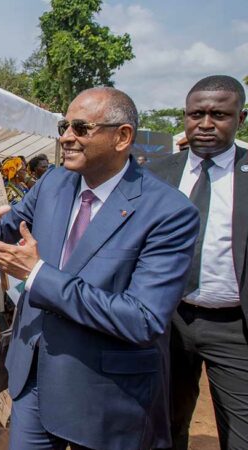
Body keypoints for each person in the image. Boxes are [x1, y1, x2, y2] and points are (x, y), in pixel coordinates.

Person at [0, 87, 199, 449]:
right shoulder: (53, 182)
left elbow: (142, 318)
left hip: (104, 394)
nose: (66, 136)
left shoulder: (169, 212)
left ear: (122, 136)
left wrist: (38, 275)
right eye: (65, 126)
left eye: (81, 128)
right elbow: (9, 229)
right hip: (33, 377)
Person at [148, 75, 248, 449]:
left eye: (218, 114)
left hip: (234, 328)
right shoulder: (157, 175)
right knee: (164, 424)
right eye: (196, 114)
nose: (205, 125)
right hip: (166, 321)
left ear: (240, 118)